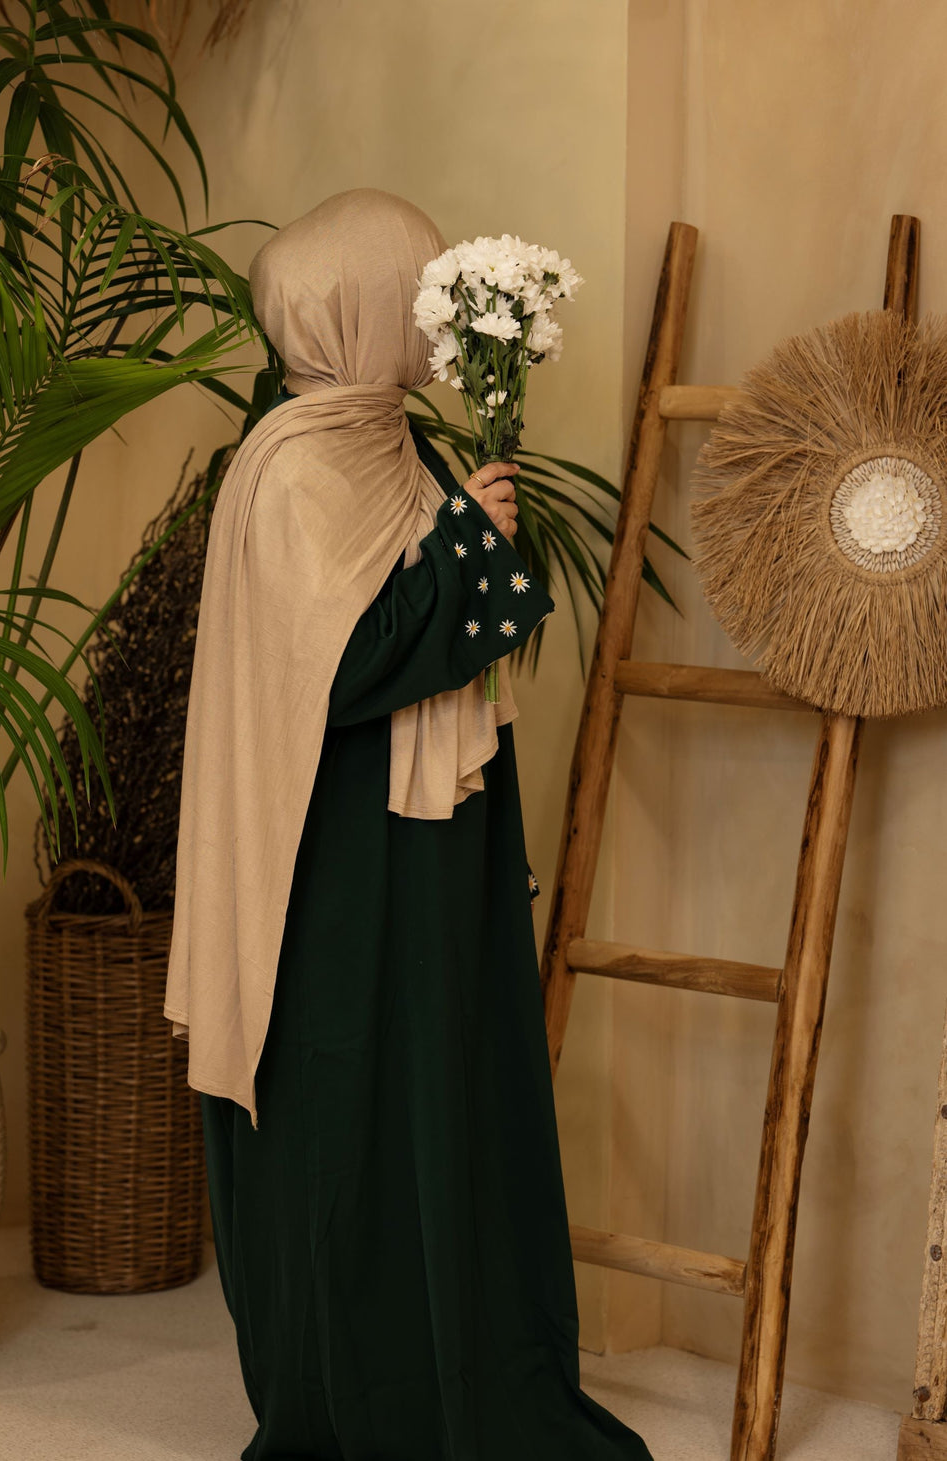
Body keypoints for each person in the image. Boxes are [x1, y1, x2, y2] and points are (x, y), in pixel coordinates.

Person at [165, 188, 653, 1461]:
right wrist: (467, 556)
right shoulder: (285, 469)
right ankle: (355, 1390)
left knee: (440, 1094)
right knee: (350, 1102)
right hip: (331, 862)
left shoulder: (400, 443)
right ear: (355, 307)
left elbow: (457, 620)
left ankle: (464, 1361)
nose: (428, 306)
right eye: (411, 285)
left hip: (430, 847)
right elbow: (345, 670)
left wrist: (469, 542)